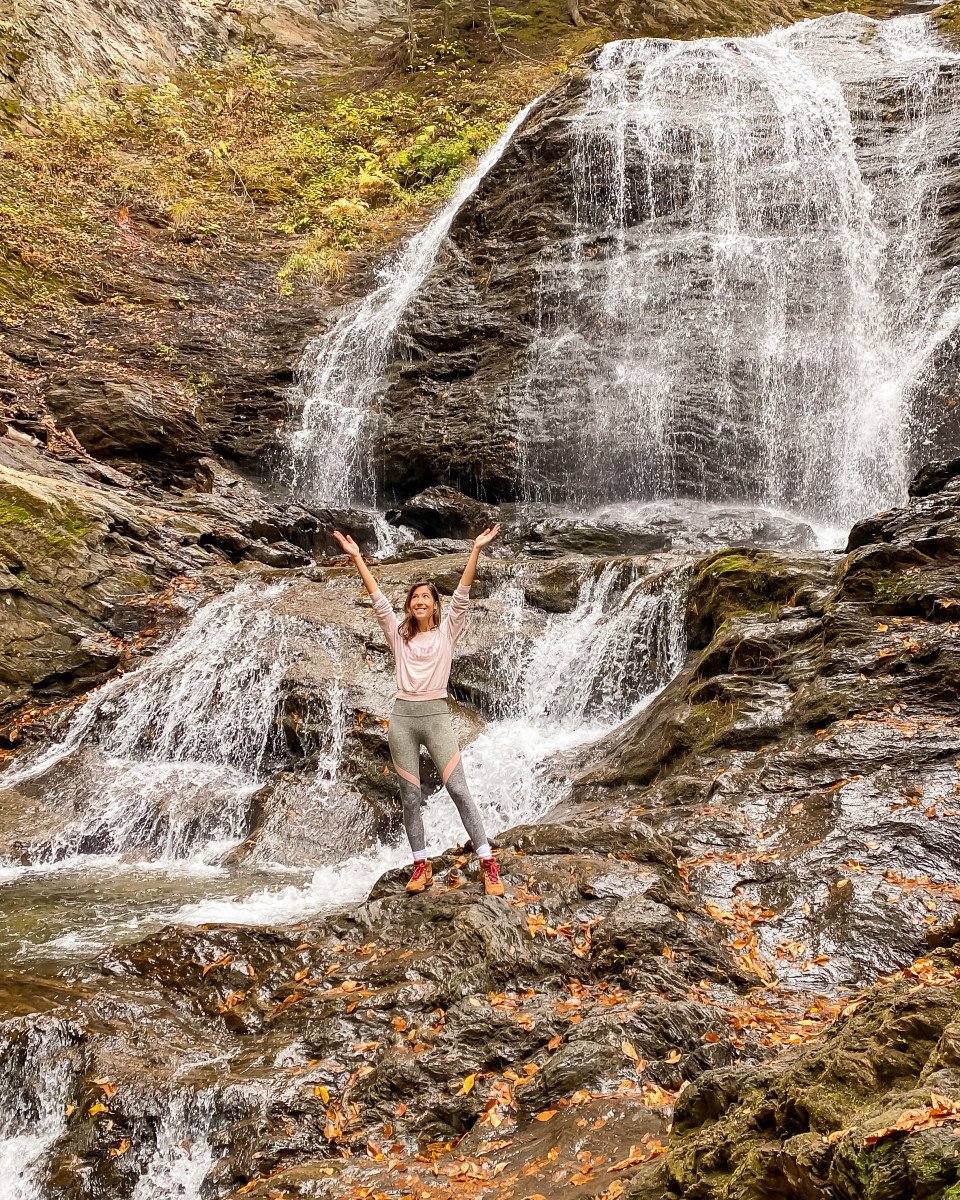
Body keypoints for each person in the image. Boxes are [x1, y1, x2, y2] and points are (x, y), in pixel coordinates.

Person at [332, 525, 505, 897]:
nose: (419, 601)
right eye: (415, 598)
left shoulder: (447, 632)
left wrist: (475, 548)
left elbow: (462, 593)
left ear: (435, 605)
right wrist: (357, 558)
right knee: (409, 796)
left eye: (426, 597)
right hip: (404, 719)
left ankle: (488, 863)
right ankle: (420, 865)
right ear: (410, 606)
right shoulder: (398, 634)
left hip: (437, 716)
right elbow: (377, 597)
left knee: (458, 788)